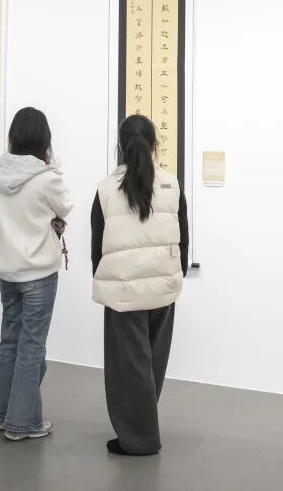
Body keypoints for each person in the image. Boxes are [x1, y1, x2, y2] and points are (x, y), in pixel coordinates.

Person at [91, 114, 189, 456]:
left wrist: (104, 277)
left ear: (120, 147)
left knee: (128, 368)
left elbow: (97, 245)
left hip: (123, 291)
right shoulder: (172, 184)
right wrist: (174, 273)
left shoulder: (106, 189)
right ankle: (142, 425)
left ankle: (139, 438)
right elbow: (183, 237)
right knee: (152, 363)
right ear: (154, 146)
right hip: (163, 287)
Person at [0, 107, 72, 441]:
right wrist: (53, 166)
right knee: (32, 347)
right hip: (38, 272)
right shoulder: (47, 177)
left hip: (7, 271)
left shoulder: (0, 171)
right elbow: (65, 206)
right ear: (43, 138)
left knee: (10, 341)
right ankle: (22, 423)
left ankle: (1, 412)